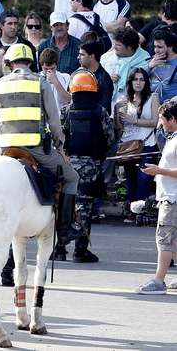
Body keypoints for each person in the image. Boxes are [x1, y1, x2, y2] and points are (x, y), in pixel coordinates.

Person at [0, 43, 83, 246]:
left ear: (9, 63)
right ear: (31, 62)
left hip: (3, 148)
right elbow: (53, 120)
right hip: (34, 147)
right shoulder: (39, 82)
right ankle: (65, 229)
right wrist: (60, 145)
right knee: (71, 178)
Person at [58, 70, 115, 262]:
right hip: (90, 165)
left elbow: (59, 137)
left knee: (64, 205)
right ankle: (80, 251)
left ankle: (59, 250)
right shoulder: (100, 112)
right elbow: (110, 137)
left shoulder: (66, 111)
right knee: (85, 207)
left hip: (68, 164)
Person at [136, 99, 177, 294]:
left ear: (172, 119)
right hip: (169, 196)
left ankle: (159, 281)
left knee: (164, 239)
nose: (160, 123)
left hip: (173, 198)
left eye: (162, 119)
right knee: (173, 241)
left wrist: (158, 170)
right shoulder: (172, 137)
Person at [114, 68, 159, 215]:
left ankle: (142, 211)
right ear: (130, 82)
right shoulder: (123, 100)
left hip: (147, 144)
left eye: (141, 79)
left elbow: (154, 122)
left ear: (146, 82)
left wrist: (134, 120)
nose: (138, 83)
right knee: (131, 179)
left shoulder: (153, 97)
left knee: (144, 178)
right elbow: (120, 126)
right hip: (129, 145)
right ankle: (133, 212)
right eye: (135, 79)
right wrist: (118, 116)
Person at [100, 27, 150, 107]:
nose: (114, 47)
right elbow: (95, 78)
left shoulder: (146, 61)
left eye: (118, 45)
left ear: (129, 47)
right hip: (106, 105)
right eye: (114, 44)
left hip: (132, 108)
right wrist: (107, 79)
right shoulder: (106, 58)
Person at [78, 40, 114, 112]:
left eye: (82, 55)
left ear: (91, 56)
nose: (78, 57)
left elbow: (104, 110)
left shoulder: (104, 80)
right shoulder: (80, 74)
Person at [149, 29, 177, 104]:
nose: (156, 50)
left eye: (160, 47)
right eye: (155, 47)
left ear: (170, 47)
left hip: (171, 109)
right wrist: (149, 67)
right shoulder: (152, 61)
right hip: (152, 107)